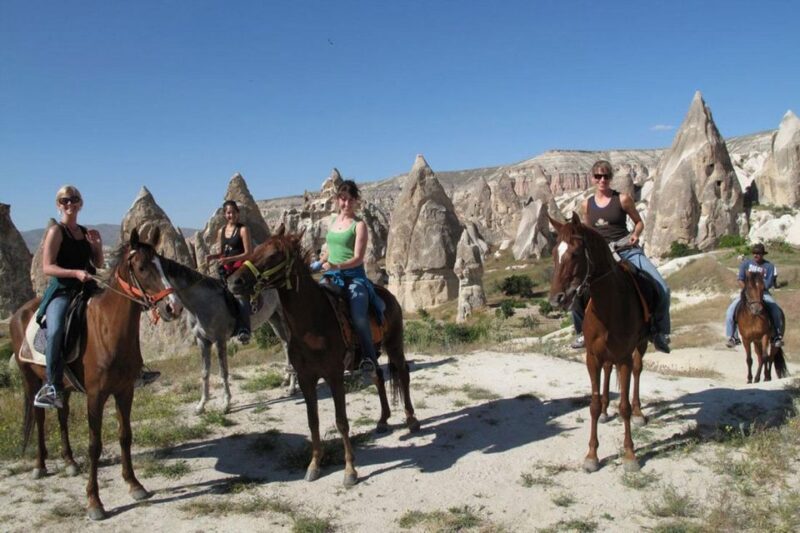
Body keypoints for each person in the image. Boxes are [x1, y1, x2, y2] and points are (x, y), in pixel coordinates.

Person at [570, 160, 672, 353]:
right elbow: (588, 232)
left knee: (662, 287)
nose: (602, 180)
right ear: (592, 178)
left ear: (611, 178)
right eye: (598, 176)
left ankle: (660, 331)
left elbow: (639, 222)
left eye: (606, 176)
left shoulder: (622, 199)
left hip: (625, 249)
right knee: (575, 292)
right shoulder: (586, 204)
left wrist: (635, 235)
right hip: (600, 255)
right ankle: (582, 331)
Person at [321, 180, 384, 379]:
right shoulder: (333, 223)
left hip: (353, 279)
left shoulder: (359, 226)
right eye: (342, 199)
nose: (346, 204)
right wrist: (318, 262)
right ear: (337, 199)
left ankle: (368, 357)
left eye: (350, 200)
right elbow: (330, 251)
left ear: (356, 201)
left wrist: (336, 266)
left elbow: (357, 258)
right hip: (332, 277)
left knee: (358, 315)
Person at [206, 200, 253, 343]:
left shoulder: (243, 230)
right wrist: (213, 256)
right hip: (226, 268)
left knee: (239, 294)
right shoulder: (221, 231)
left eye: (233, 212)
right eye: (228, 212)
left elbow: (248, 253)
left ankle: (244, 329)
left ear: (237, 213)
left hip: (240, 267)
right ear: (224, 214)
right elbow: (222, 252)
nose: (230, 215)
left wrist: (230, 259)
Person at [724, 243, 784, 348]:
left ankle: (776, 336)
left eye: (759, 253)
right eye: (754, 253)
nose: (756, 255)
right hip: (747, 293)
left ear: (763, 254)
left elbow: (769, 283)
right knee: (730, 311)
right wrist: (747, 290)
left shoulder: (769, 266)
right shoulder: (745, 264)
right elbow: (740, 279)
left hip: (763, 293)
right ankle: (733, 337)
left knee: (775, 310)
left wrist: (758, 289)